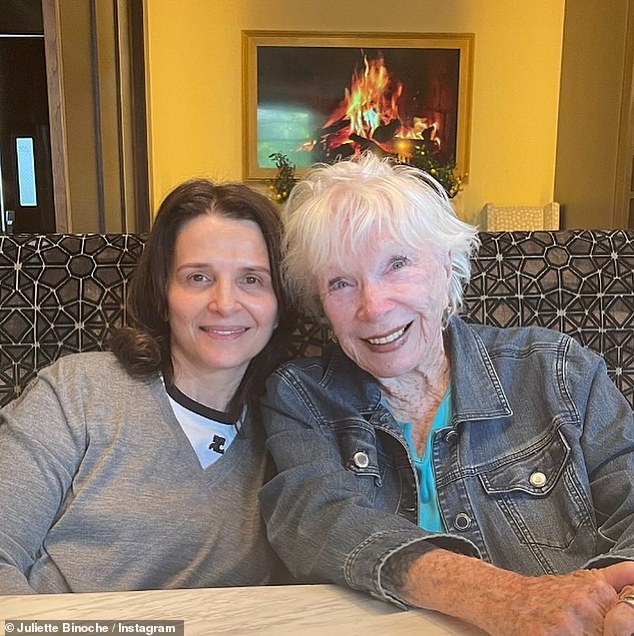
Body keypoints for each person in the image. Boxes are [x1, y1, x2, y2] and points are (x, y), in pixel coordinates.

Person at [259, 152, 634, 635]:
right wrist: (502, 598)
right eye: (341, 283)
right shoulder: (301, 397)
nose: (373, 307)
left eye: (396, 264)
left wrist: (617, 603)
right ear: (320, 304)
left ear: (448, 265)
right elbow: (312, 520)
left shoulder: (555, 369)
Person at [0, 179, 296, 594]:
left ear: (280, 304)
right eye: (198, 277)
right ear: (162, 294)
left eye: (252, 280)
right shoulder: (76, 392)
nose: (225, 303)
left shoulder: (296, 429)